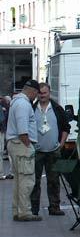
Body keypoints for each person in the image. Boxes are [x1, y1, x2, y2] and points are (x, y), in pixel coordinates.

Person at [31, 83, 70, 216]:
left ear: (49, 93)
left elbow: (66, 127)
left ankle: (54, 207)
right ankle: (33, 209)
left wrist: (61, 144)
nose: (42, 95)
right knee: (34, 182)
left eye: (44, 93)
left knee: (53, 181)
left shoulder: (57, 109)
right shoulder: (31, 108)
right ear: (37, 93)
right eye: (40, 93)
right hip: (36, 151)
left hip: (53, 151)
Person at [6, 80, 42, 221]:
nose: (36, 97)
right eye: (36, 94)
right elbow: (22, 129)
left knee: (18, 179)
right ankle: (24, 211)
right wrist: (28, 146)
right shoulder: (23, 105)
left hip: (14, 144)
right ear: (33, 91)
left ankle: (17, 210)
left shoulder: (16, 102)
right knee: (27, 180)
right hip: (21, 144)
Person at [0, 95, 14, 180]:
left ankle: (1, 173)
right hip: (7, 130)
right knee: (10, 153)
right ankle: (12, 172)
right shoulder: (8, 106)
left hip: (3, 130)